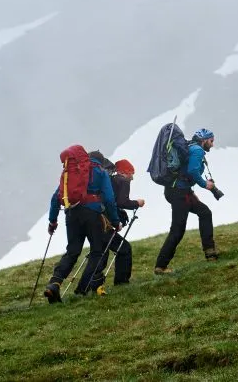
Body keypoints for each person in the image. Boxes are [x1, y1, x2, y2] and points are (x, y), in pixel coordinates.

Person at [44, 145, 121, 303]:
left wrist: (52, 221)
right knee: (97, 251)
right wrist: (114, 220)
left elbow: (55, 198)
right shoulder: (100, 171)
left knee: (72, 251)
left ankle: (55, 283)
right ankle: (81, 290)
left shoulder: (69, 173)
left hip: (71, 214)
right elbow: (109, 199)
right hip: (92, 215)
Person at [154, 128, 219, 274]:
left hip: (178, 191)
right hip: (179, 193)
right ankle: (160, 266)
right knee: (177, 230)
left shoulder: (190, 147)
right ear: (204, 140)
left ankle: (210, 253)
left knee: (204, 212)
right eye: (211, 141)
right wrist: (205, 184)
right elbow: (192, 171)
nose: (212, 144)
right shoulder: (197, 150)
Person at [102, 158, 144, 286]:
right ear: (125, 172)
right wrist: (137, 203)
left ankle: (89, 286)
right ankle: (122, 282)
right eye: (131, 173)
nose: (132, 178)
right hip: (106, 223)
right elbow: (122, 202)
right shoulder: (123, 181)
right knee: (124, 248)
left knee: (101, 252)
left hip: (98, 219)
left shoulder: (109, 180)